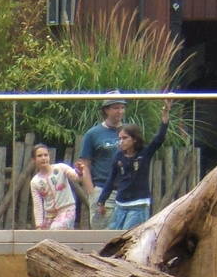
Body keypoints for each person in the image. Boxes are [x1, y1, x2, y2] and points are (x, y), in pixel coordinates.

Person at [94, 100, 172, 231]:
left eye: (124, 138)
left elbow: (159, 138)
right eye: (120, 138)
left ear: (134, 139)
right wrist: (101, 201)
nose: (121, 142)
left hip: (138, 204)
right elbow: (111, 180)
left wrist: (165, 114)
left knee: (129, 237)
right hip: (120, 204)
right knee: (113, 236)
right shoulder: (118, 156)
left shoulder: (144, 153)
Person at [77, 93, 126, 227]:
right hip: (103, 190)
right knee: (103, 236)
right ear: (106, 110)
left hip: (126, 191)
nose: (120, 111)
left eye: (122, 107)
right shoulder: (93, 134)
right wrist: (92, 193)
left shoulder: (128, 132)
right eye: (116, 108)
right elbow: (84, 165)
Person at [29, 144, 81, 229]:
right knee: (44, 236)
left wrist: (79, 172)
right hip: (49, 215)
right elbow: (37, 205)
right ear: (34, 159)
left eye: (46, 155)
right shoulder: (35, 182)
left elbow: (75, 176)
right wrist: (39, 225)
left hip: (67, 210)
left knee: (55, 229)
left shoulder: (60, 168)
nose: (43, 158)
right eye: (39, 156)